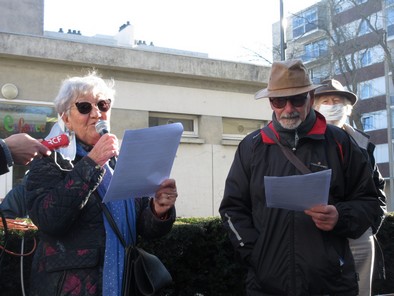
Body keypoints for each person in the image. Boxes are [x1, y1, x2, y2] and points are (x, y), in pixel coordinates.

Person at [219, 60, 385, 295]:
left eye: (296, 99)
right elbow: (232, 209)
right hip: (266, 285)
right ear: (270, 102)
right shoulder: (251, 147)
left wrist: (341, 217)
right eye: (279, 101)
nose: (288, 109)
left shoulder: (341, 143)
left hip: (330, 284)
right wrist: (256, 254)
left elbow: (372, 204)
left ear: (309, 96)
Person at [25, 71, 178, 296]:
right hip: (69, 287)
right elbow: (49, 220)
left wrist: (158, 210)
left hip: (123, 280)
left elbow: (141, 228)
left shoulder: (118, 161)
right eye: (85, 107)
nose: (97, 114)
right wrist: (92, 163)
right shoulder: (50, 159)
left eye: (103, 105)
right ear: (65, 118)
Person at [314, 79, 387, 296]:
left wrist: (370, 226)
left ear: (348, 107)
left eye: (337, 100)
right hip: (318, 237)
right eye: (325, 101)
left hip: (359, 237)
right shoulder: (306, 142)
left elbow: (378, 190)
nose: (331, 105)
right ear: (315, 107)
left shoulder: (361, 143)